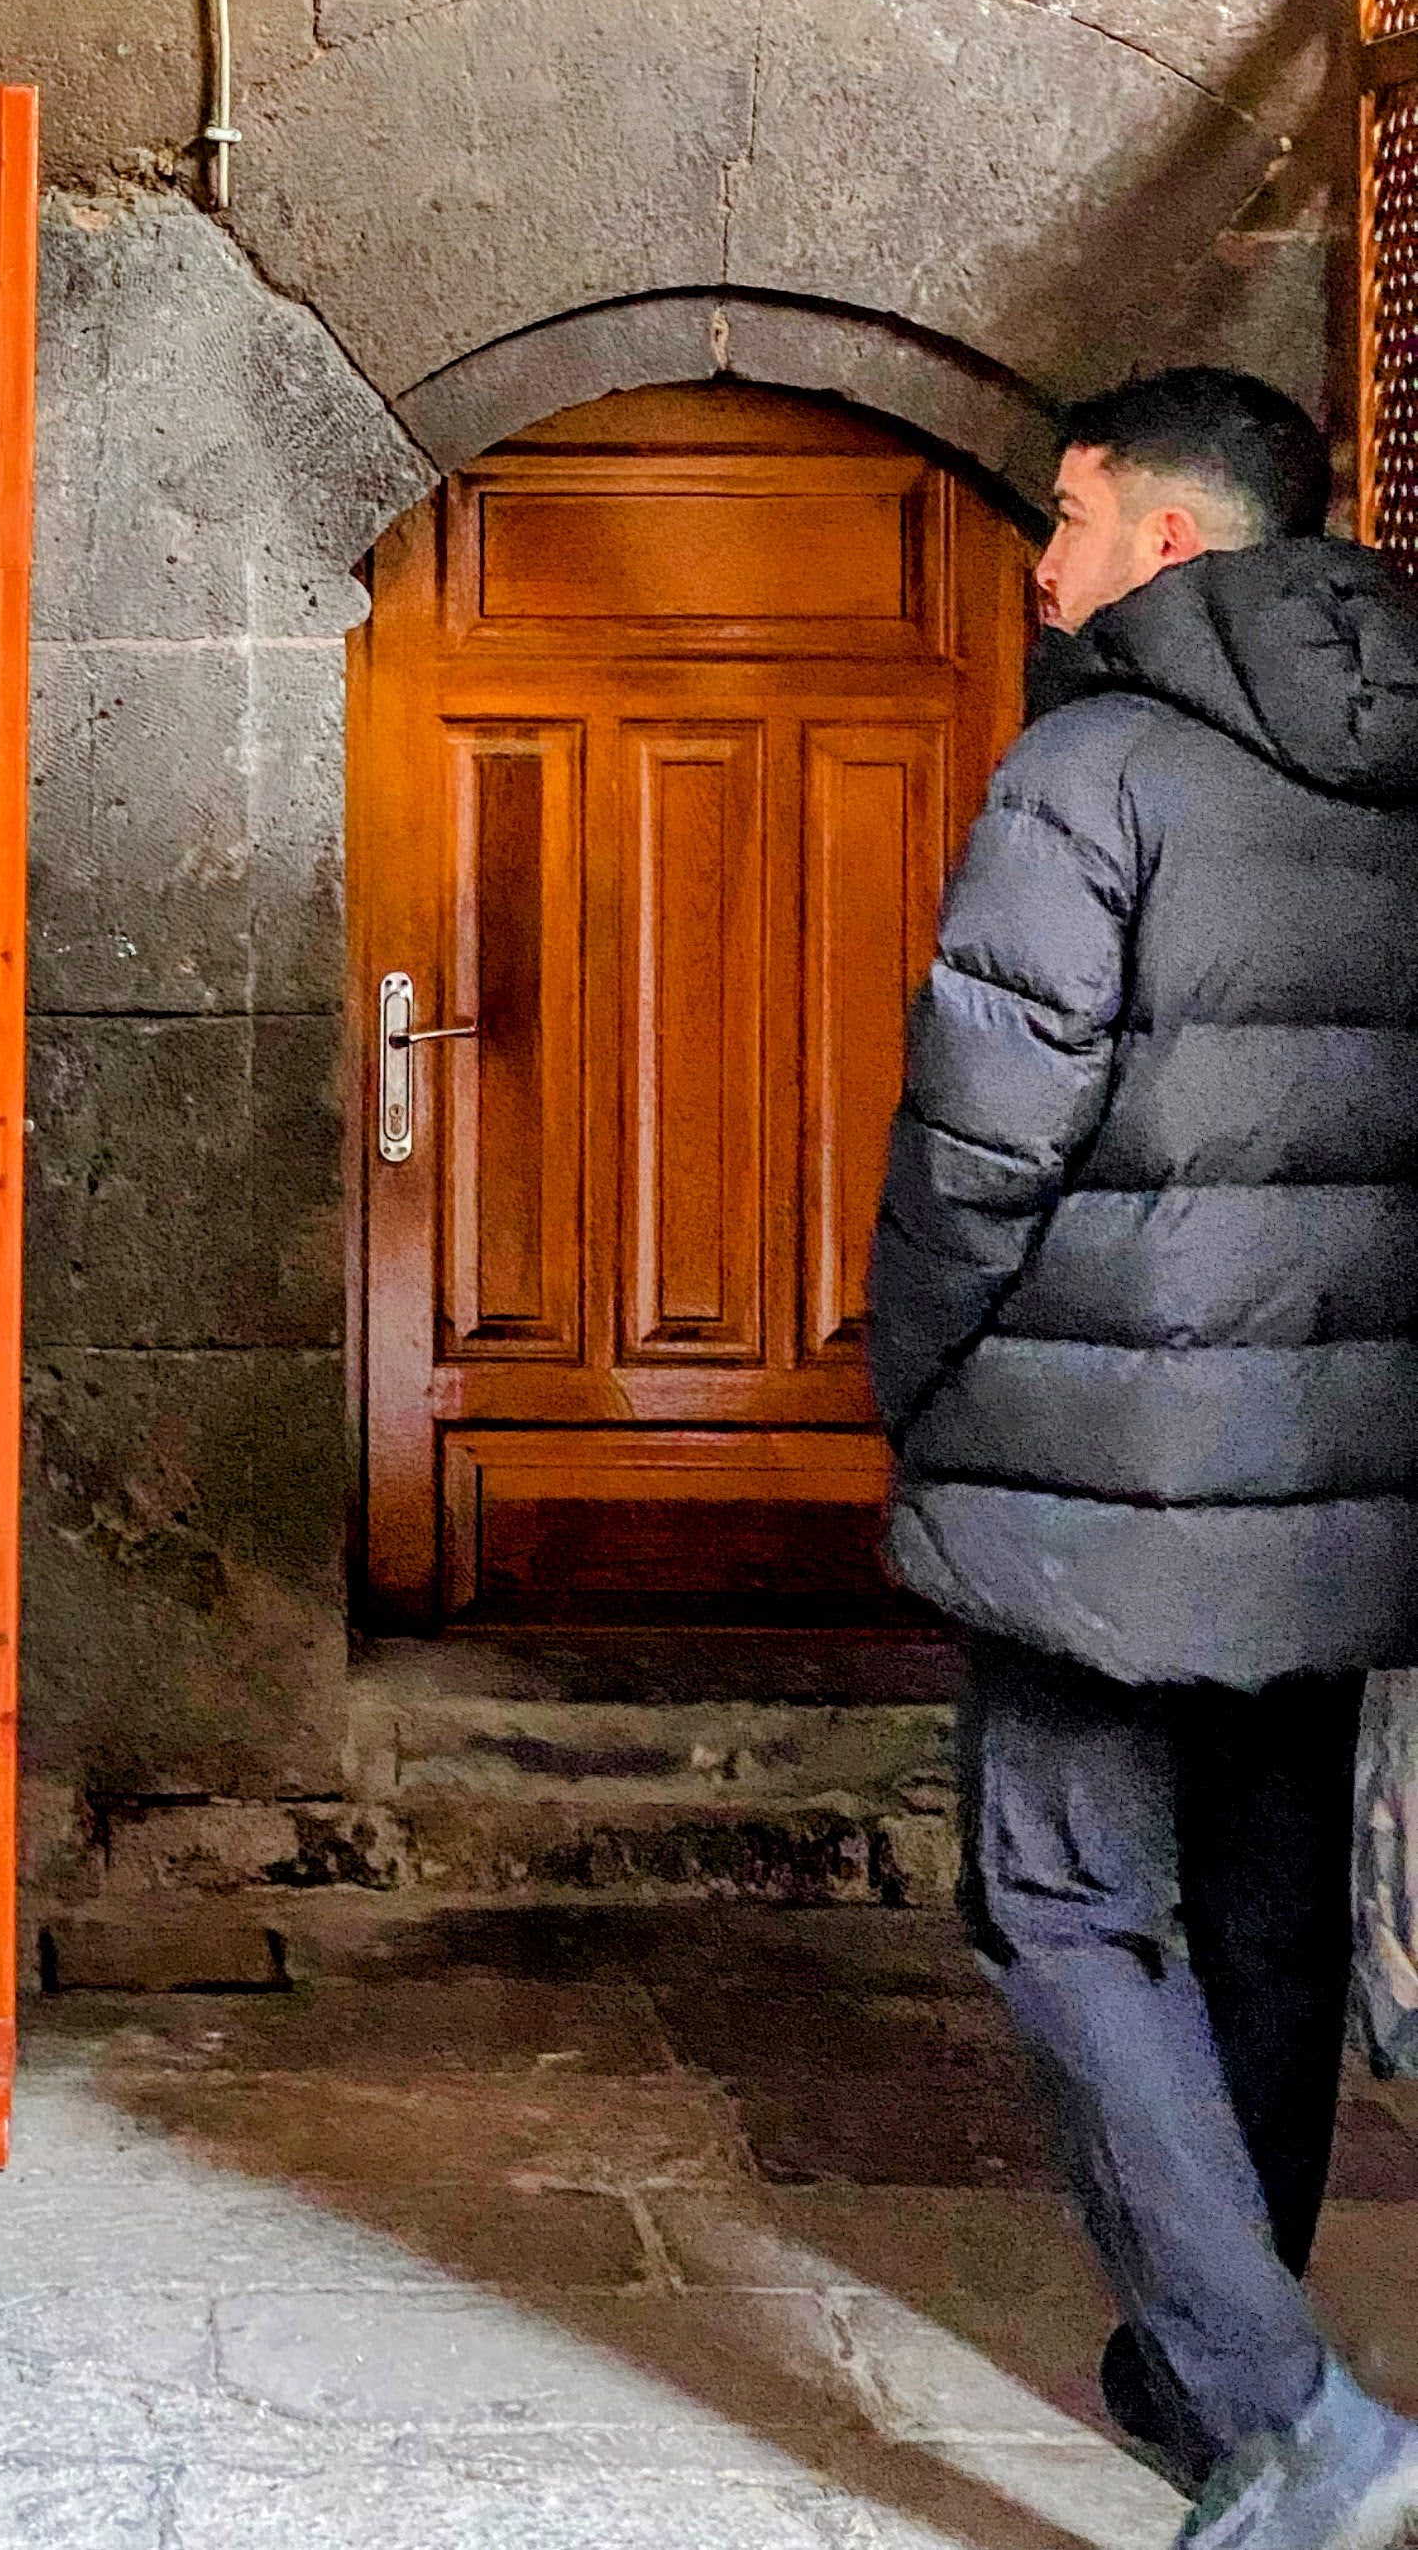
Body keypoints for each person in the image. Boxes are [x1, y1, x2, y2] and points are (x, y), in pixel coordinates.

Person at [871, 368, 1418, 2549]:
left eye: (1069, 516)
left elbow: (976, 1141)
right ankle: (1209, 2364)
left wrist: (914, 1376)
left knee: (1062, 1900)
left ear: (1168, 546)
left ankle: (1290, 2413)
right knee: (1270, 1915)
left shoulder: (1084, 767)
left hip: (1098, 1466)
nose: (1042, 558)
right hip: (1343, 1461)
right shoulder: (1399, 776)